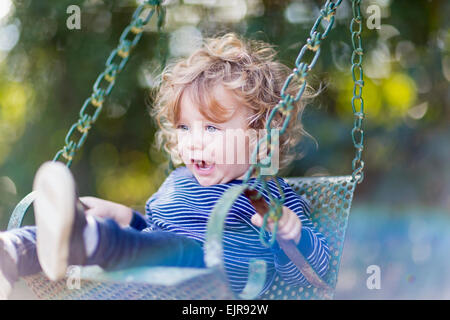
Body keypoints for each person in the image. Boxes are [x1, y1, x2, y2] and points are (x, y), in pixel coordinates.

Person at [0, 33, 330, 299]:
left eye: (212, 128)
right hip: (158, 273)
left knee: (180, 250)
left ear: (261, 136)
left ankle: (86, 239)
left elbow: (314, 272)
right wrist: (125, 216)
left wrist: (292, 234)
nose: (193, 142)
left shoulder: (268, 196)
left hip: (212, 283)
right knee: (151, 243)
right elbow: (155, 232)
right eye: (185, 128)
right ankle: (13, 251)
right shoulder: (180, 180)